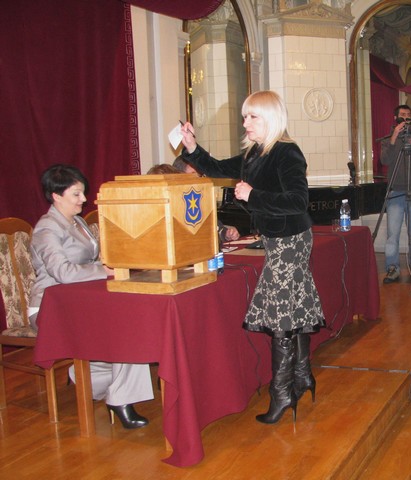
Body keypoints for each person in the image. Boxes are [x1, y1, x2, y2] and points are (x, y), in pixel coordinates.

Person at [179, 90, 325, 424]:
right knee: (295, 305)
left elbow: (298, 201)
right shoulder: (254, 154)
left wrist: (253, 195)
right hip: (277, 239)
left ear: (270, 118)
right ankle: (302, 376)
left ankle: (282, 393)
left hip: (291, 240)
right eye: (244, 116)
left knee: (280, 314)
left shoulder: (286, 152)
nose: (245, 123)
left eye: (252, 116)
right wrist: (192, 147)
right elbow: (216, 167)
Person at [28, 164, 154, 429]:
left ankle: (89, 377)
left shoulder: (78, 221)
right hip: (50, 309)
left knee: (132, 322)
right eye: (76, 194)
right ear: (56, 196)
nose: (83, 199)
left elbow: (91, 261)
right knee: (124, 329)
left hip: (81, 300)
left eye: (83, 193)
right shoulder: (46, 229)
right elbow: (62, 272)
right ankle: (120, 399)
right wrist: (103, 270)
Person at [379, 104, 411, 284]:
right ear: (396, 118)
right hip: (396, 190)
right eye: (403, 115)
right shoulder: (388, 139)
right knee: (392, 234)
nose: (407, 117)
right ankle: (392, 268)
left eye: (409, 115)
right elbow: (385, 160)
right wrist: (394, 137)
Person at [150, 160, 241, 242]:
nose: (198, 179)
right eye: (193, 175)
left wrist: (225, 233)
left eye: (200, 175)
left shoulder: (196, 200)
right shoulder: (151, 212)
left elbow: (213, 227)